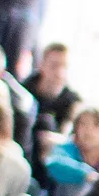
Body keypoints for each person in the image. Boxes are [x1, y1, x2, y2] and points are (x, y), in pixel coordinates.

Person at [22, 42, 80, 186]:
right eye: (54, 66)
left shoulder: (74, 102)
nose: (59, 72)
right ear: (41, 65)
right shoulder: (23, 92)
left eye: (64, 67)